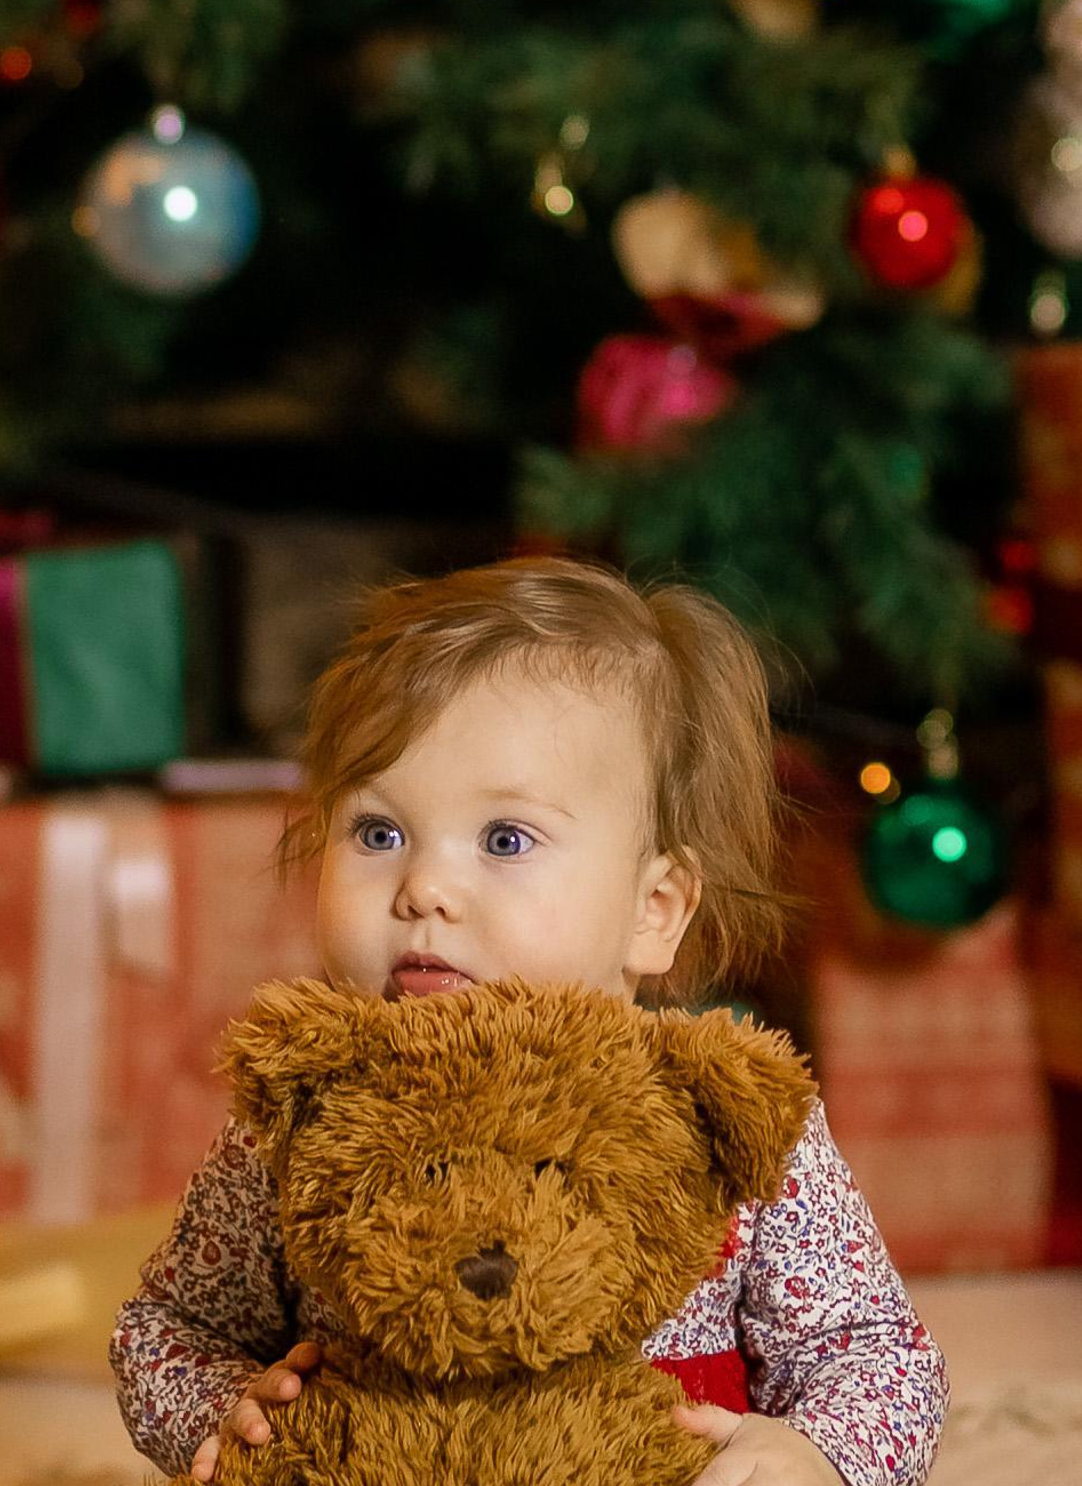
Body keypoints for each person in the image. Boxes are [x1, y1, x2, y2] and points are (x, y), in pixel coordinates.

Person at [110, 556, 947, 1486]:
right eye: (378, 833)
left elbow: (875, 1355)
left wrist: (813, 1454)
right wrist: (215, 1403)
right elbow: (168, 1328)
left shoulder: (721, 1127)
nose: (424, 887)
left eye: (505, 840)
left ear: (654, 909)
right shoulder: (305, 1117)